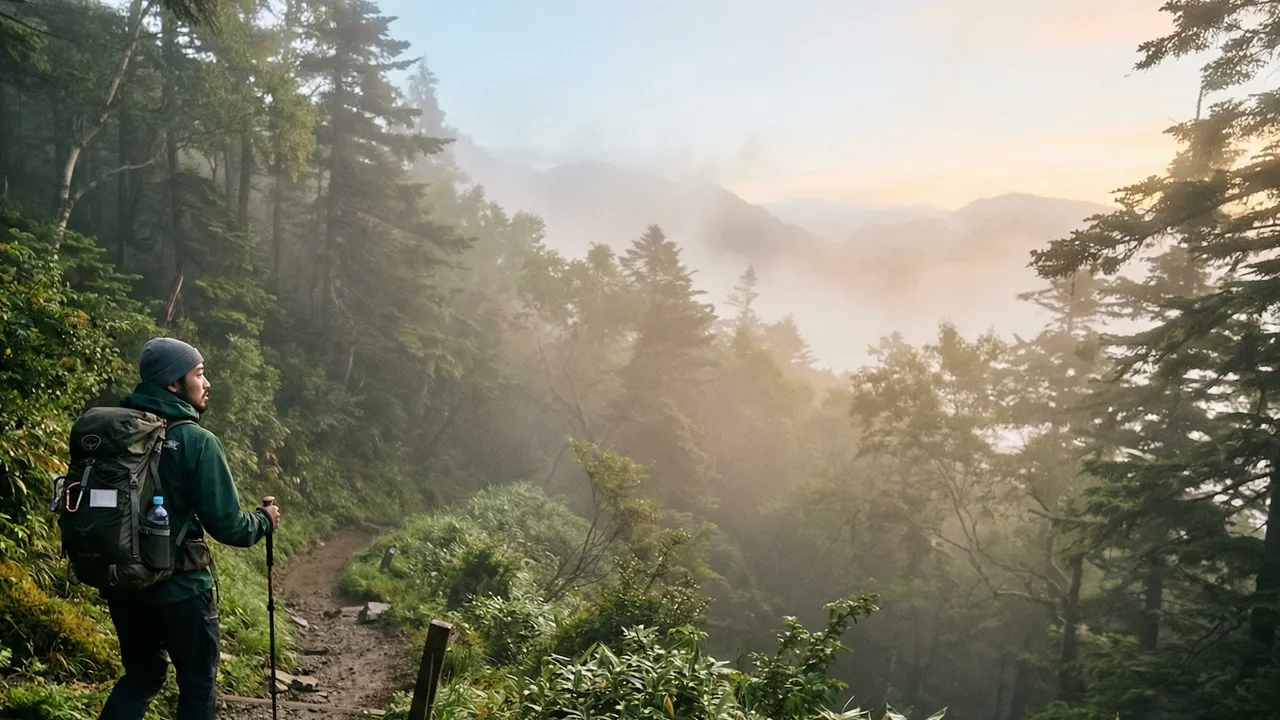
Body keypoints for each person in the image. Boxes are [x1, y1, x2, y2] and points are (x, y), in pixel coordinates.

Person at [98, 337, 282, 720]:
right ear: (173, 384)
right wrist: (263, 521)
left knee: (141, 676)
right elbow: (230, 527)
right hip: (182, 591)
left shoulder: (117, 436)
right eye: (199, 373)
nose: (207, 382)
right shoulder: (196, 441)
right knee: (197, 686)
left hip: (126, 585)